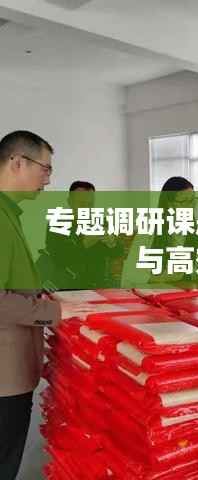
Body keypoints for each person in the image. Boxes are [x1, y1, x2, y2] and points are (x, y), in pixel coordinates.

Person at [0, 131, 94, 479]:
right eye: (45, 168)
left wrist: (39, 294)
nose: (48, 179)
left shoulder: (10, 214)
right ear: (17, 162)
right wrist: (54, 312)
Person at [42, 181, 124, 289]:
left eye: (90, 204)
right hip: (67, 287)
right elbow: (58, 258)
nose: (86, 208)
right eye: (81, 204)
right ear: (70, 202)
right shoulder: (57, 223)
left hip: (98, 286)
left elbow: (119, 252)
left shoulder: (101, 222)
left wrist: (112, 242)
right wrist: (85, 243)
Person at [121, 176, 198, 288]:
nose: (190, 207)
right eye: (183, 202)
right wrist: (162, 279)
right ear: (169, 204)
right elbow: (131, 274)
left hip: (177, 288)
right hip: (147, 289)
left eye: (192, 200)